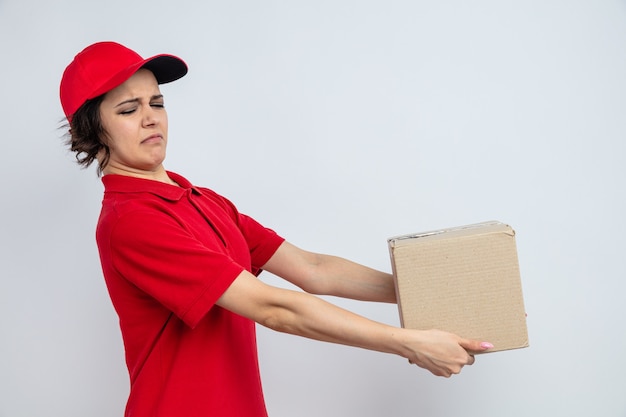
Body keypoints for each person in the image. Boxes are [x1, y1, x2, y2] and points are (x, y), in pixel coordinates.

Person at [59, 41, 493, 417]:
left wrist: (439, 294)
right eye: (128, 109)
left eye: (157, 102)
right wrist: (408, 342)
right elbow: (274, 308)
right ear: (93, 129)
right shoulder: (131, 221)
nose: (151, 118)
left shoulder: (203, 199)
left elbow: (313, 268)